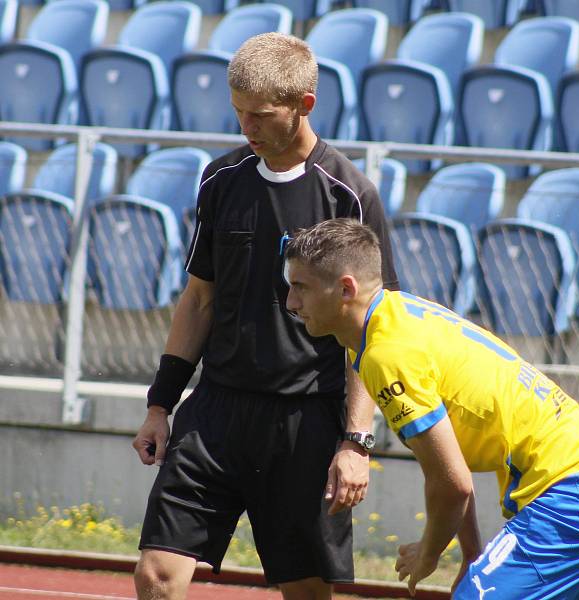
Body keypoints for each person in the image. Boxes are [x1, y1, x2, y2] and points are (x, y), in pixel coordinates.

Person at [131, 33, 398, 600]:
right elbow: (199, 298)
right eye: (237, 113)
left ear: (304, 105)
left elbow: (372, 330)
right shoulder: (220, 179)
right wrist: (160, 405)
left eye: (260, 115)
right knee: (155, 574)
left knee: (304, 591)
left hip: (306, 420)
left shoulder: (351, 195)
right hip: (217, 412)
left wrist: (356, 441)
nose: (245, 127)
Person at [284, 218, 579, 599]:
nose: (291, 303)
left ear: (345, 289)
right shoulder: (391, 318)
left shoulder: (388, 355)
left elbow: (452, 484)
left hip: (578, 490)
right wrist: (471, 553)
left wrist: (429, 552)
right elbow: (450, 465)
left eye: (300, 288)